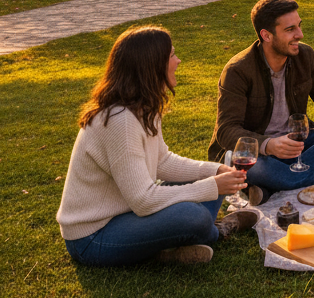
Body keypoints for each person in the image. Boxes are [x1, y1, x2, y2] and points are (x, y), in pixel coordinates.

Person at [57, 25, 257, 267]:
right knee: (193, 216)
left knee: (211, 185)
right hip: (93, 237)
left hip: (127, 214)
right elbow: (143, 200)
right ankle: (217, 231)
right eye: (172, 55)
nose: (178, 61)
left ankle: (166, 249)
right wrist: (211, 186)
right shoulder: (120, 121)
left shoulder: (143, 108)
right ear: (151, 66)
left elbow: (162, 161)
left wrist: (214, 171)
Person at [209, 0, 314, 202]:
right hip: (257, 152)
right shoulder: (238, 70)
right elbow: (226, 130)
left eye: (299, 26)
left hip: (296, 144)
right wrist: (269, 144)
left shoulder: (305, 56)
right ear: (266, 35)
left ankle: (271, 186)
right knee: (255, 168)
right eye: (290, 29)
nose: (299, 34)